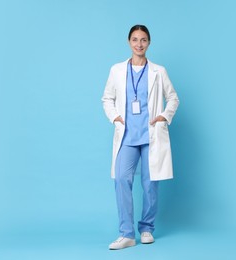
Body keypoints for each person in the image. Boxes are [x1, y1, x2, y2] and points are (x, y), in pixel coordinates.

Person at [102, 24, 179, 250]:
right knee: (121, 180)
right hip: (127, 134)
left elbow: (173, 98)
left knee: (150, 184)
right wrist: (116, 117)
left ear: (149, 43)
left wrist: (164, 116)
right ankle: (126, 233)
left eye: (143, 40)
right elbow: (107, 98)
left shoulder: (159, 71)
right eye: (135, 39)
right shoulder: (117, 70)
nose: (139, 44)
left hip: (151, 135)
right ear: (129, 42)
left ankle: (146, 228)